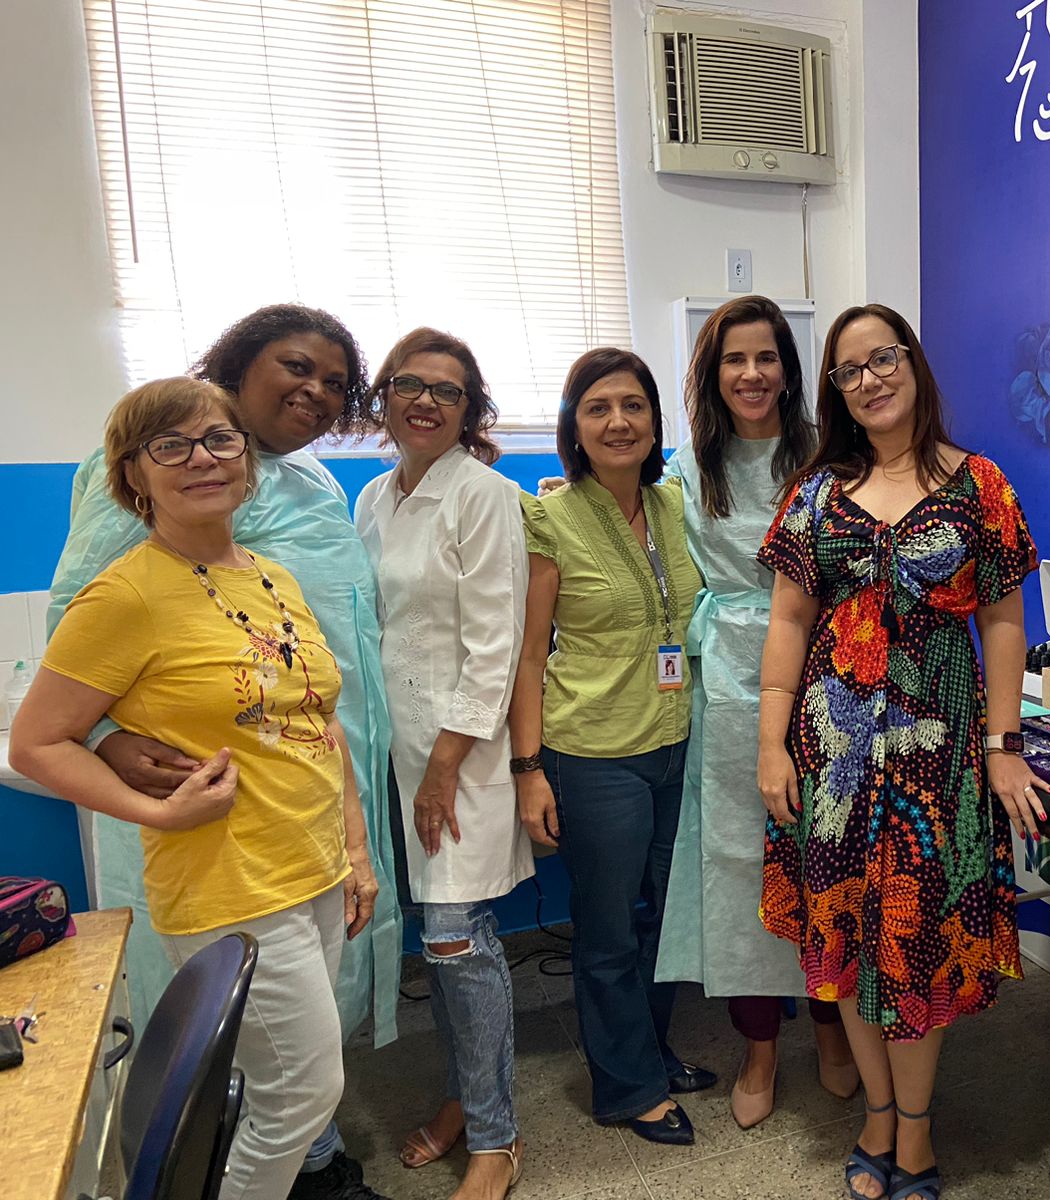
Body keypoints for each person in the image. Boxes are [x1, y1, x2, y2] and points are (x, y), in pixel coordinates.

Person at [46, 304, 399, 1200]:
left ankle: (303, 1160)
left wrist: (354, 843)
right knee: (232, 1047)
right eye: (295, 367)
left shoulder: (304, 491)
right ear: (236, 368)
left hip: (311, 802)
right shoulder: (157, 495)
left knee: (298, 1045)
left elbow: (318, 682)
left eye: (335, 383)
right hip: (214, 818)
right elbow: (70, 639)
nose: (316, 392)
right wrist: (109, 739)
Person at [755, 304, 1048, 1200]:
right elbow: (788, 623)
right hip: (834, 759)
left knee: (915, 947)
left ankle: (914, 1135)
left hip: (938, 758)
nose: (870, 379)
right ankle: (876, 1115)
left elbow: (1004, 622)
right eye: (849, 370)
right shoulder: (814, 494)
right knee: (847, 937)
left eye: (883, 358)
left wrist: (1004, 745)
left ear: (913, 365)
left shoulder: (981, 485)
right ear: (835, 392)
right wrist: (771, 745)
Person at [653, 296, 859, 1131]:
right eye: (734, 359)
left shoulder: (827, 456)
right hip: (728, 686)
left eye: (766, 357)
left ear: (788, 368)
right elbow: (629, 516)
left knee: (826, 856)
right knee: (739, 868)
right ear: (711, 375)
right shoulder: (686, 468)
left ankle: (831, 1028)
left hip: (829, 676)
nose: (751, 374)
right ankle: (761, 1047)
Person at [512, 348, 715, 1146]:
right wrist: (529, 770)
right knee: (606, 929)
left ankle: (650, 1053)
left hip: (678, 741)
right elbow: (530, 655)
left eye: (633, 405)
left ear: (656, 422)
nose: (619, 422)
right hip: (594, 753)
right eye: (598, 408)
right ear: (574, 426)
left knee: (666, 916)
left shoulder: (676, 506)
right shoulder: (549, 518)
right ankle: (628, 1087)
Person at [354, 330, 531, 1200]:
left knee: (457, 940)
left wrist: (442, 766)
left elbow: (497, 644)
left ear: (471, 411)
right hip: (392, 754)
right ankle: (465, 1100)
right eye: (409, 385)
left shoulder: (484, 495)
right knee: (437, 940)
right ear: (383, 397)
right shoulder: (373, 499)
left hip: (458, 757)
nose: (425, 401)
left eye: (448, 391)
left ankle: (497, 1138)